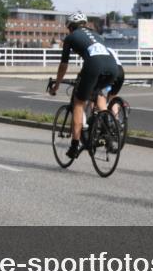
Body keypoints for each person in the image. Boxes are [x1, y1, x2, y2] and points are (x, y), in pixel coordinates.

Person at [47, 11, 119, 160]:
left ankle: (74, 145)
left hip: (94, 66)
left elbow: (63, 65)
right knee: (97, 93)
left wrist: (57, 85)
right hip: (113, 68)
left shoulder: (71, 37)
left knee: (79, 104)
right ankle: (107, 130)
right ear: (84, 24)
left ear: (70, 27)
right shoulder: (98, 36)